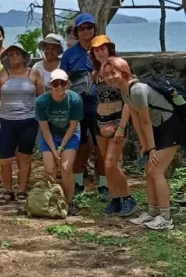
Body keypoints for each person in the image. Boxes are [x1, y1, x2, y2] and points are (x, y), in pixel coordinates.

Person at [103, 56, 186, 231]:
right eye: (106, 74)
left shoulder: (137, 90)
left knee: (156, 170)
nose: (110, 77)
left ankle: (165, 218)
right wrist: (145, 145)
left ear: (123, 71)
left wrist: (152, 148)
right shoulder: (125, 91)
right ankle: (152, 212)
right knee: (149, 170)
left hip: (171, 126)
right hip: (158, 127)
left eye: (113, 73)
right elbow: (135, 119)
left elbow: (145, 120)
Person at [0, 44, 44, 207]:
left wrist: (43, 121)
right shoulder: (2, 75)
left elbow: (42, 98)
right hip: (6, 121)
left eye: (17, 53)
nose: (14, 56)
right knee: (5, 159)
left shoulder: (33, 73)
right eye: (11, 54)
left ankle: (22, 191)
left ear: (24, 57)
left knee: (25, 157)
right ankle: (8, 190)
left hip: (29, 121)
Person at [60, 13, 107, 195]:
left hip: (101, 106)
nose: (86, 31)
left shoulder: (103, 50)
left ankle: (103, 184)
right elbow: (62, 79)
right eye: (82, 28)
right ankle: (79, 183)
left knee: (102, 147)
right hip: (77, 107)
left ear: (94, 29)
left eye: (89, 27)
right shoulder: (69, 54)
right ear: (77, 32)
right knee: (78, 146)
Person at [90, 36, 136, 218]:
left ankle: (128, 198)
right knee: (106, 164)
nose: (100, 52)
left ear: (109, 49)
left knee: (112, 163)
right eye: (96, 50)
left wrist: (122, 126)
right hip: (100, 120)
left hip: (118, 120)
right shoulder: (96, 73)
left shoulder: (119, 68)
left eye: (103, 48)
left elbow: (129, 98)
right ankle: (115, 199)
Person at [35, 69, 83, 216]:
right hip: (50, 135)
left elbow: (73, 126)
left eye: (62, 83)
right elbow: (45, 129)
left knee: (66, 167)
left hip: (69, 134)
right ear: (50, 85)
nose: (59, 87)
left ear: (68, 84)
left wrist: (60, 148)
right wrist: (54, 150)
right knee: (50, 169)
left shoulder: (75, 99)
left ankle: (69, 201)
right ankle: (51, 201)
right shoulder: (42, 101)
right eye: (55, 83)